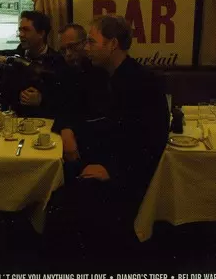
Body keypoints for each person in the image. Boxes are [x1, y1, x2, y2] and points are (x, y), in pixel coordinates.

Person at [45, 14, 170, 259]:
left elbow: (153, 143)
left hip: (126, 179)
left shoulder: (145, 83)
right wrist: (67, 131)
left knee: (61, 213)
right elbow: (67, 107)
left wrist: (112, 170)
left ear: (113, 44)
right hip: (88, 162)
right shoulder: (95, 74)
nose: (86, 48)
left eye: (92, 41)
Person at [51, 23, 109, 164]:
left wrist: (67, 128)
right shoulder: (63, 68)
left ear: (85, 43)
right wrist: (65, 128)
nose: (68, 54)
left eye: (72, 47)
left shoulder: (100, 69)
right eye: (63, 50)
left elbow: (94, 114)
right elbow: (60, 105)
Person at [0, 10, 65, 117]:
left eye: (26, 30)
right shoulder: (11, 57)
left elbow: (64, 100)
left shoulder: (58, 61)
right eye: (20, 30)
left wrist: (42, 100)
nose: (21, 35)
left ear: (41, 33)